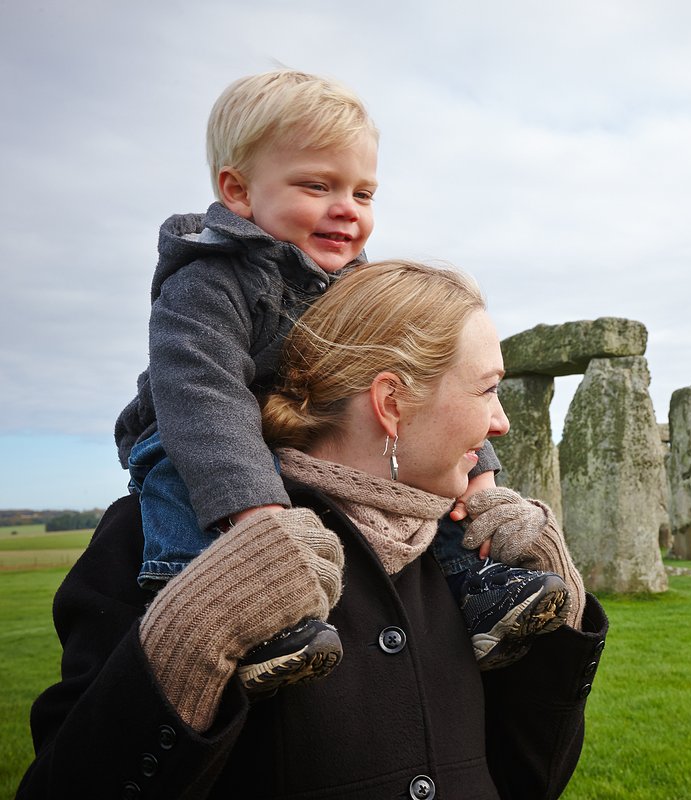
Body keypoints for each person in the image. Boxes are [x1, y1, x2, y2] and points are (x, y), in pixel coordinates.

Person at [18, 260, 607, 799]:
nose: (502, 423)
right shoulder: (161, 537)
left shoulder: (463, 558)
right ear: (391, 402)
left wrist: (563, 603)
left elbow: (530, 779)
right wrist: (199, 630)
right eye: (487, 389)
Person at [112, 68, 567, 684]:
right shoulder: (206, 278)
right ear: (238, 191)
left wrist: (481, 483)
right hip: (190, 425)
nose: (345, 211)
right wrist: (259, 519)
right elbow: (204, 393)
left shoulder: (352, 282)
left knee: (409, 476)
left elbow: (431, 381)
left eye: (363, 194)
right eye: (317, 185)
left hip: (287, 424)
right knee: (175, 467)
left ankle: (473, 586)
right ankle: (208, 595)